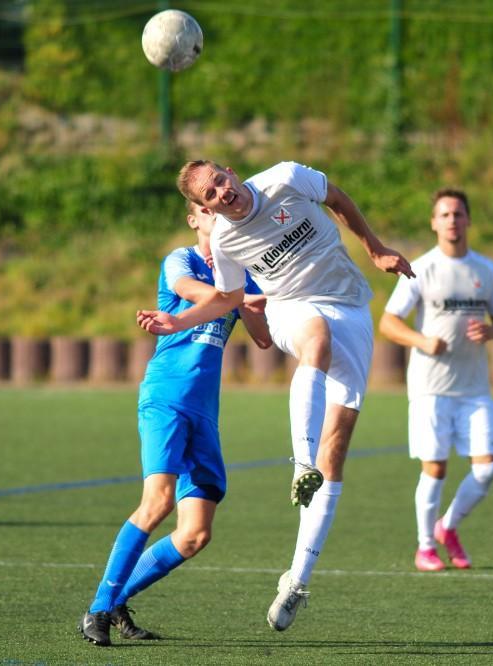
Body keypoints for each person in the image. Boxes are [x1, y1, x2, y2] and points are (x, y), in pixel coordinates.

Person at [137, 160, 414, 631]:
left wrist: (376, 248)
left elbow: (338, 198)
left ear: (230, 170)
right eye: (210, 196)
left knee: (338, 449)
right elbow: (227, 298)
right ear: (204, 208)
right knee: (316, 340)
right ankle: (300, 462)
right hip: (292, 308)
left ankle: (297, 581)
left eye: (221, 181)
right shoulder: (225, 239)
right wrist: (179, 321)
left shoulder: (285, 177)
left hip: (350, 303)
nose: (222, 194)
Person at [79, 201, 273, 647]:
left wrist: (253, 300)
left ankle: (115, 600)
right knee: (158, 502)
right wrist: (240, 295)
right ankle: (96, 609)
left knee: (195, 534)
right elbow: (196, 292)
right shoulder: (180, 260)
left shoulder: (240, 275)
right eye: (207, 211)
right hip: (166, 398)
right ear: (194, 220)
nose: (217, 217)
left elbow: (262, 339)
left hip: (205, 412)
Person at [378, 188, 493, 572]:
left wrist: (491, 331)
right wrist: (421, 340)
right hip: (430, 388)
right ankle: (424, 547)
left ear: (468, 220)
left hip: (474, 389)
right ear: (434, 223)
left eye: (458, 214)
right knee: (435, 469)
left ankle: (447, 527)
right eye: (445, 215)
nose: (452, 220)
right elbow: (388, 322)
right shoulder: (421, 268)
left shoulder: (487, 270)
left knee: (487, 468)